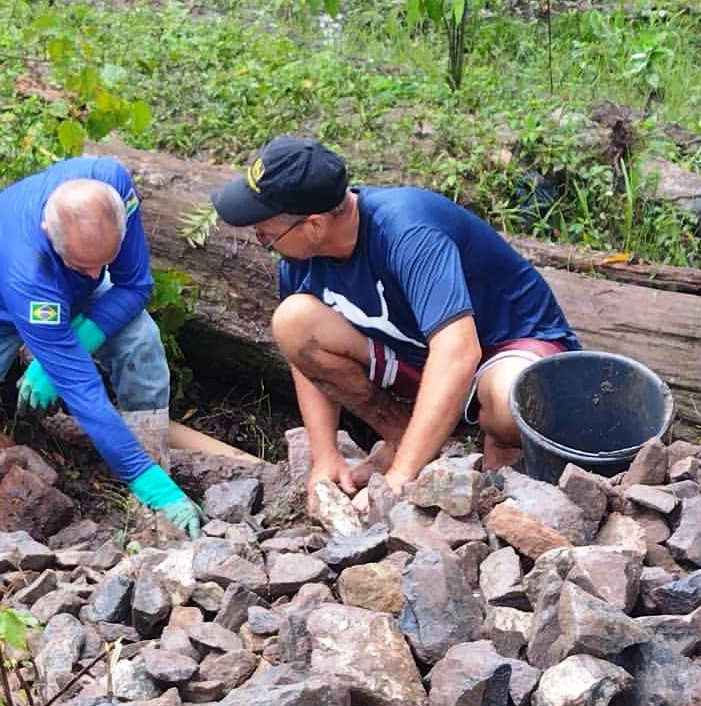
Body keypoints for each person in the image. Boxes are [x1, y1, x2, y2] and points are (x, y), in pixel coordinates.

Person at [212, 137, 581, 512]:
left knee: (508, 403)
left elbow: (458, 351)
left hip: (507, 348)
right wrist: (324, 457)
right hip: (419, 355)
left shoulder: (407, 231)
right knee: (293, 322)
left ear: (315, 224)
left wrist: (400, 479)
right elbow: (304, 360)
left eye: (266, 234)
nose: (263, 241)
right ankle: (405, 437)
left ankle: (500, 449)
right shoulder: (300, 258)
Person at [0, 157, 205, 538]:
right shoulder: (27, 268)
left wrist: (78, 336)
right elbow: (84, 394)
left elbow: (135, 284)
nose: (95, 274)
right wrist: (59, 357)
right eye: (83, 264)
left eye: (102, 263)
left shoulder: (113, 185)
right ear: (48, 232)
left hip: (67, 291)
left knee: (140, 340)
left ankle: (154, 514)